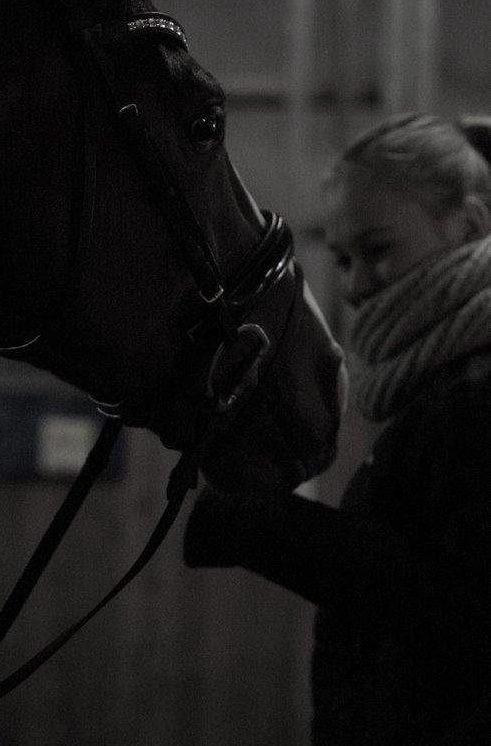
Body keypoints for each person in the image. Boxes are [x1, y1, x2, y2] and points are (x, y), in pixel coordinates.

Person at [184, 113, 491, 746]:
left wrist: (257, 521)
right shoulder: (441, 384)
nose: (353, 287)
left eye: (377, 251)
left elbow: (463, 613)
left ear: (470, 226)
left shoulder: (477, 391)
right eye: (343, 259)